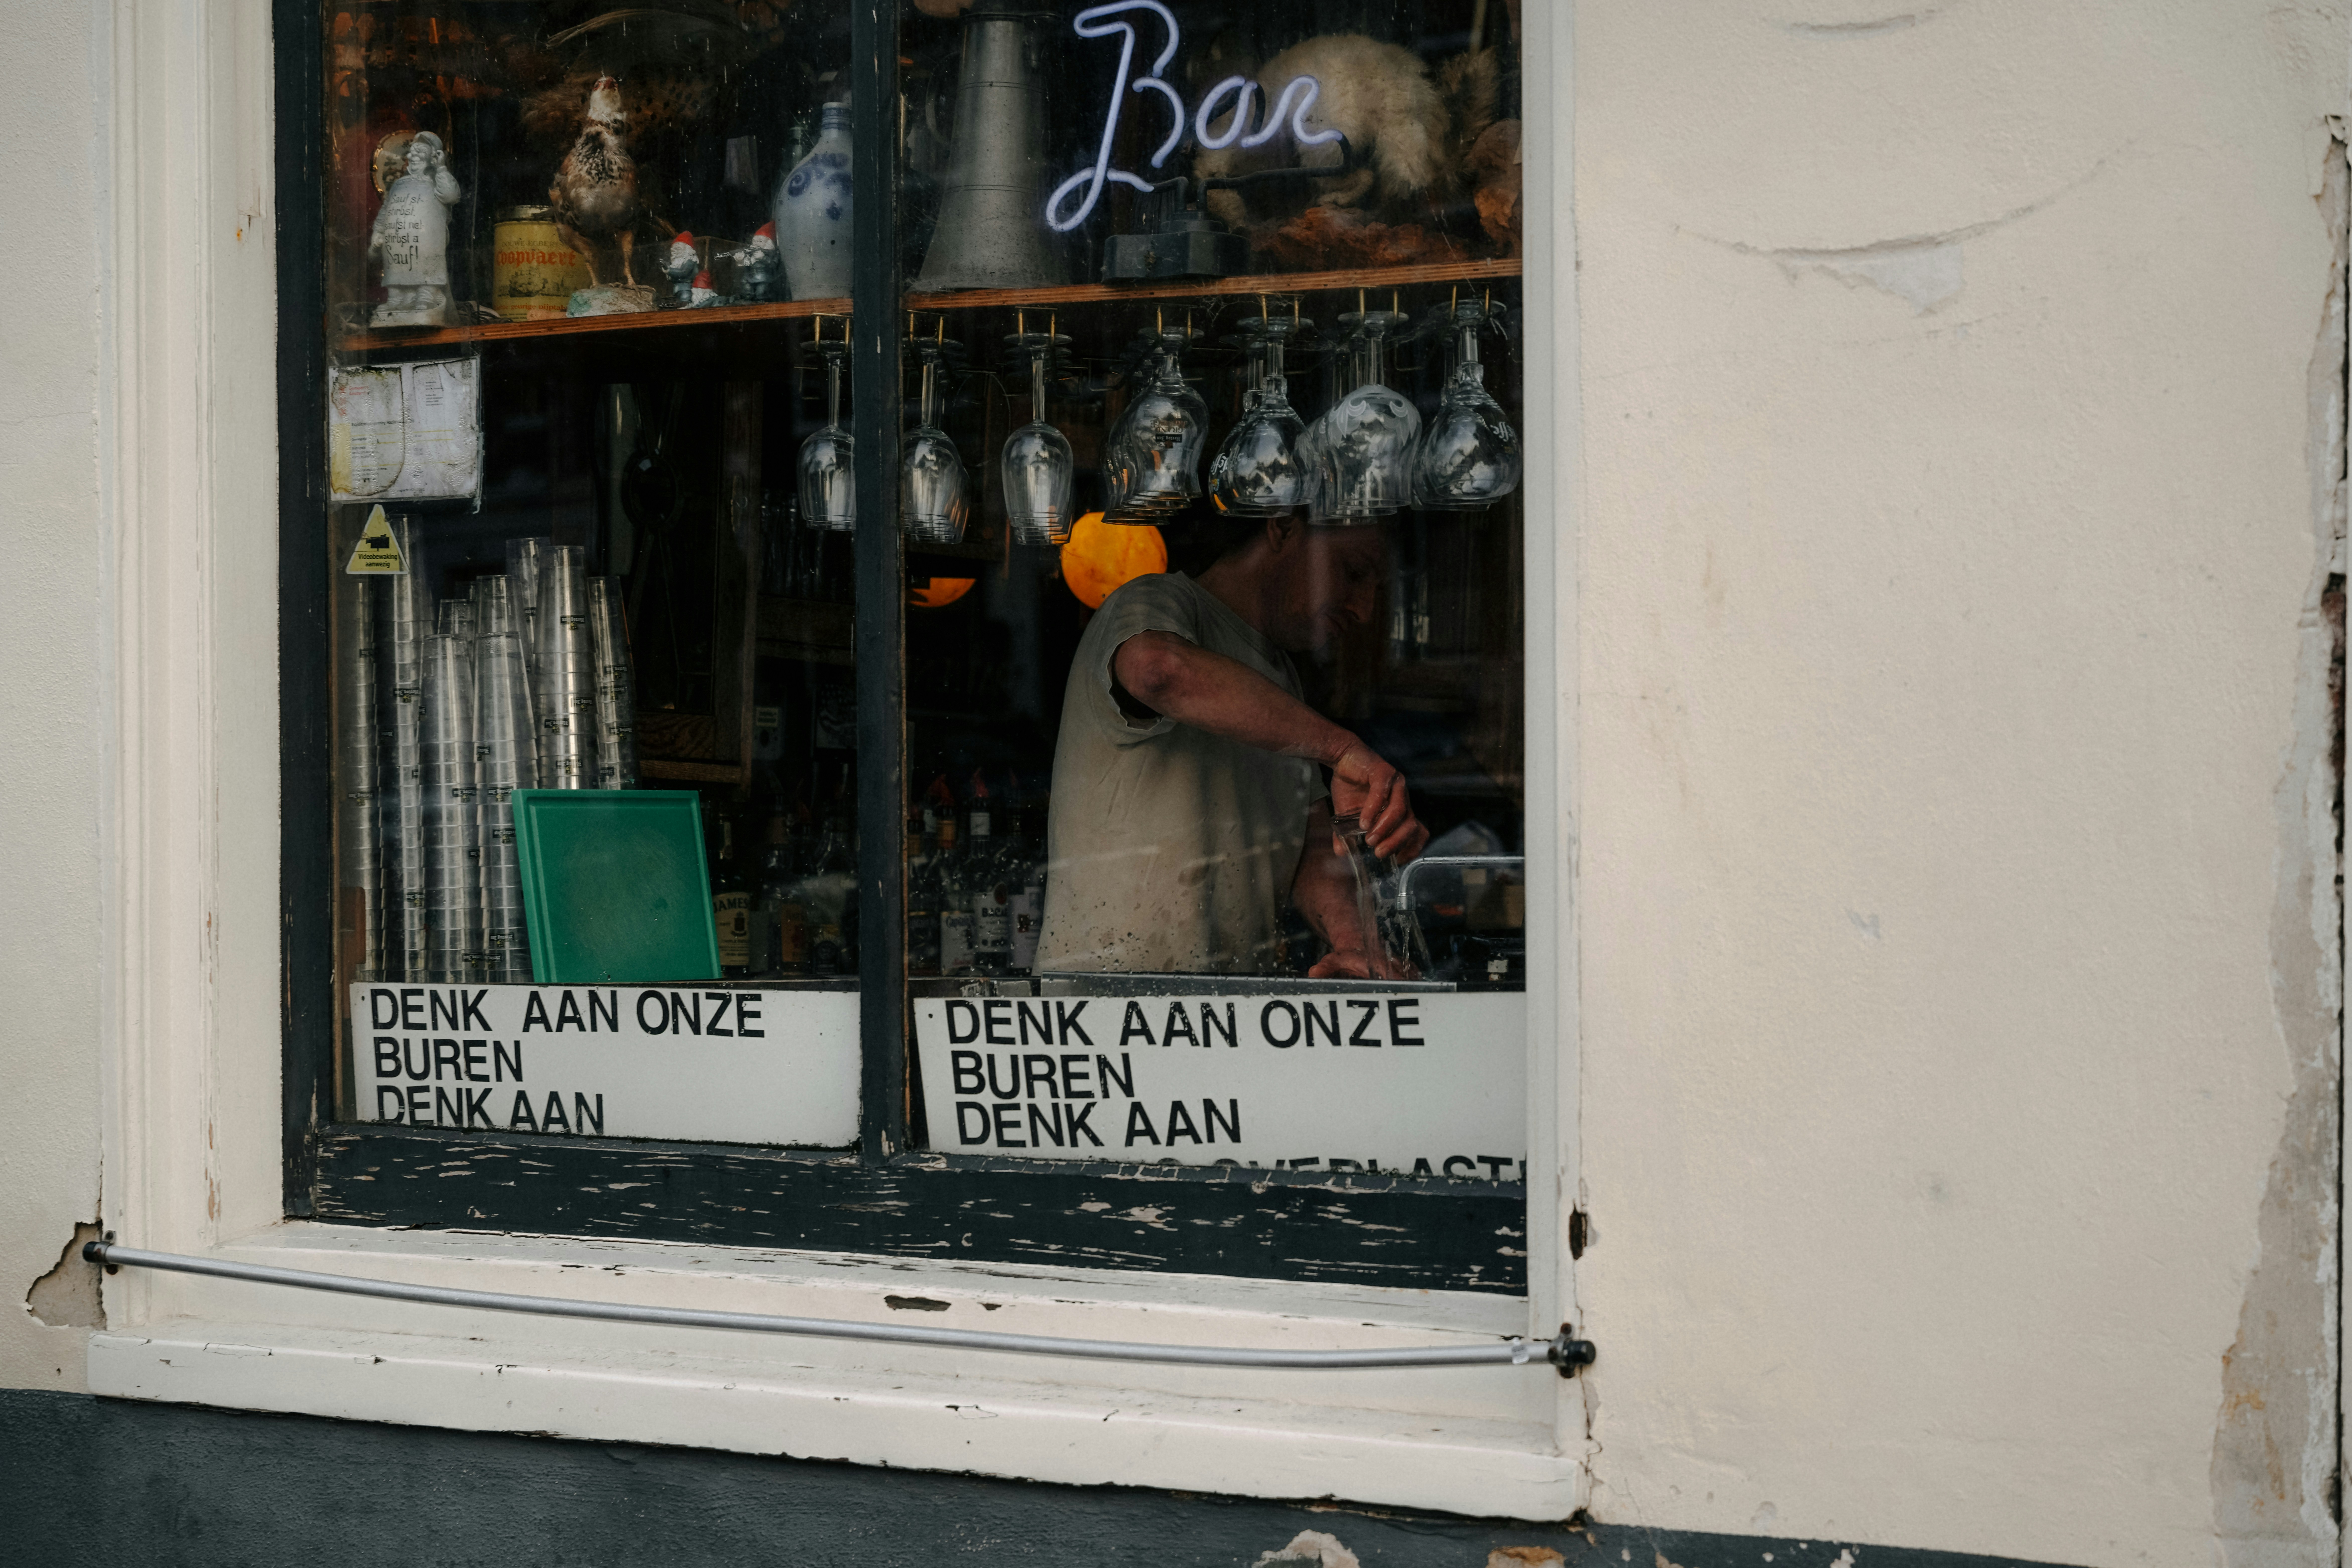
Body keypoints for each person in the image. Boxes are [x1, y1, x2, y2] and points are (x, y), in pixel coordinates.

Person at [1034, 517, 1428, 978]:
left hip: (1225, 1010)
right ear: (1282, 529)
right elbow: (1156, 671)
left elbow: (1309, 842)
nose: (1364, 609)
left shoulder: (1280, 678)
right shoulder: (1156, 602)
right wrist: (1341, 750)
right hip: (1108, 1006)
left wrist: (1353, 943)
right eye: (1354, 572)